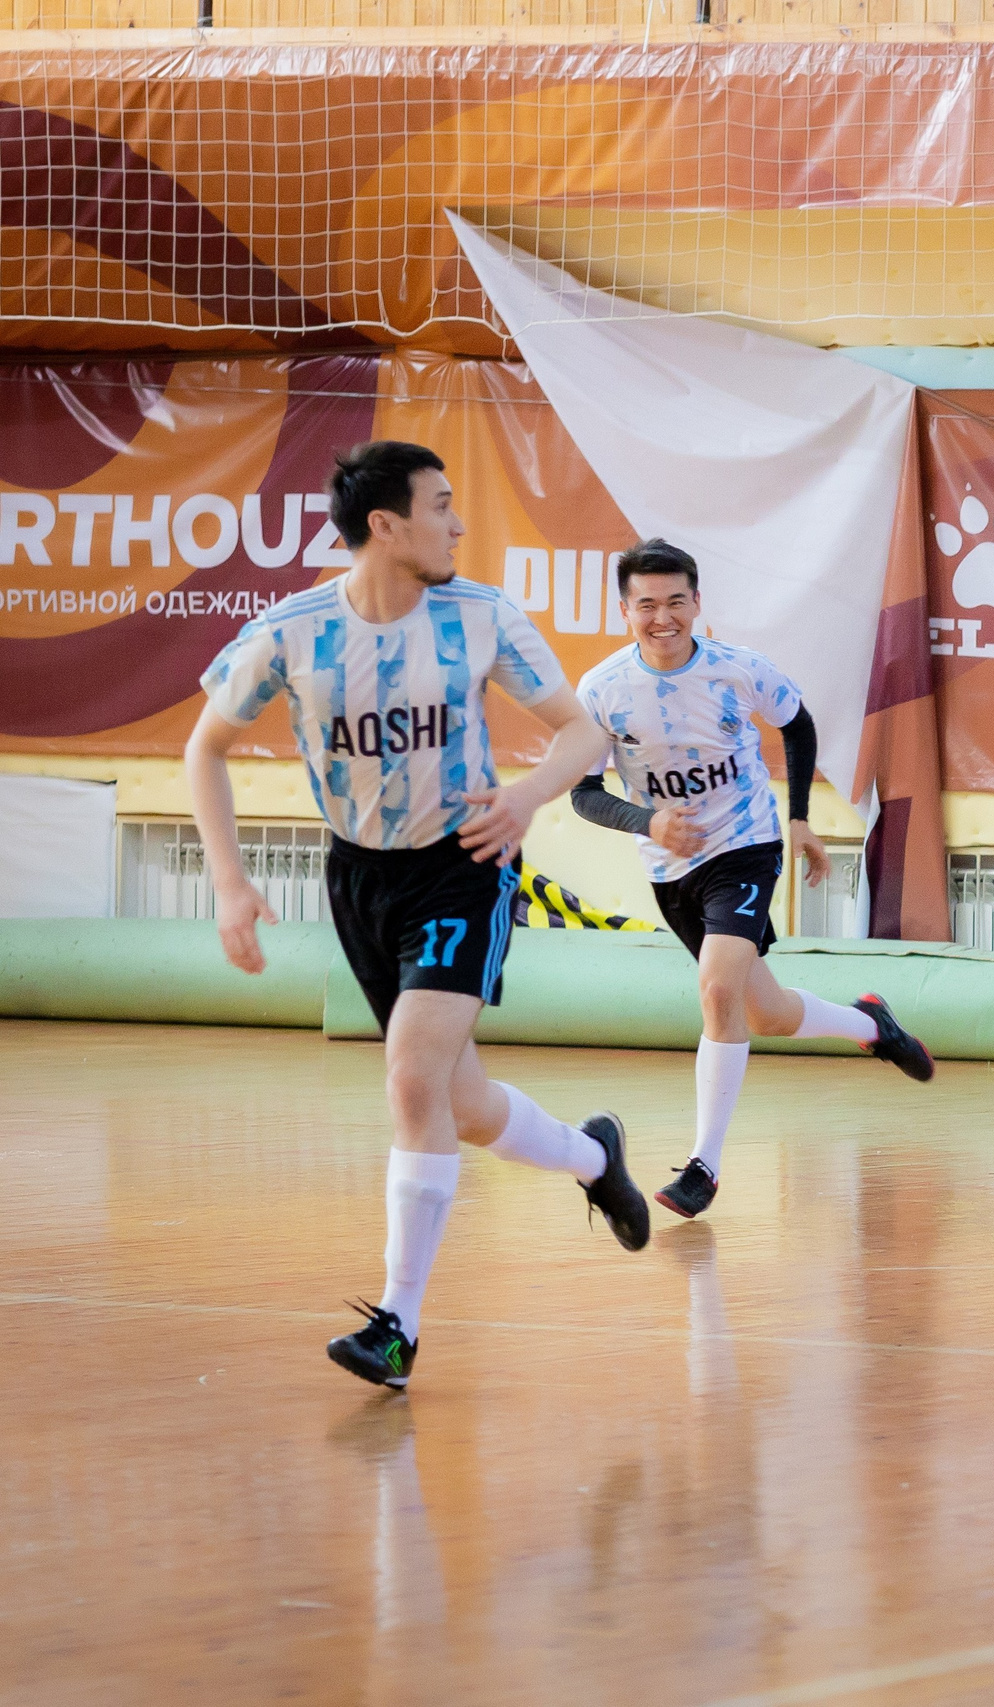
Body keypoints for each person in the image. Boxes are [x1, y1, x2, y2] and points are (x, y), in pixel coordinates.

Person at [185, 440, 655, 1391]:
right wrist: (229, 880)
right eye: (442, 505)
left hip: (463, 864)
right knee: (458, 1099)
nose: (460, 522)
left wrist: (524, 800)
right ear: (387, 525)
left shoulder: (480, 615)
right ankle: (590, 1156)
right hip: (360, 877)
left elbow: (582, 730)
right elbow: (207, 748)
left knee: (409, 1081)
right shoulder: (290, 630)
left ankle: (397, 1325)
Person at [571, 538, 934, 1221]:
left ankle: (704, 1164)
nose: (663, 617)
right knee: (762, 1011)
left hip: (745, 844)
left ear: (697, 603)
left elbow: (796, 725)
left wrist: (797, 819)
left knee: (716, 984)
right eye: (646, 604)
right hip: (670, 865)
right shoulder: (601, 690)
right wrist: (648, 821)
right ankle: (870, 1023)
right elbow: (584, 794)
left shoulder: (738, 670)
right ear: (625, 610)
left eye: (676, 601)